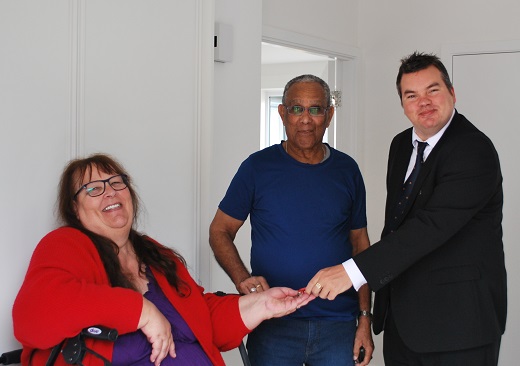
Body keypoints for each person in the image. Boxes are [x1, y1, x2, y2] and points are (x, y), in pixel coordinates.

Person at [12, 153, 314, 366]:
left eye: (117, 183)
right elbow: (32, 316)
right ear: (75, 210)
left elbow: (199, 318)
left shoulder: (155, 254)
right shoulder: (67, 245)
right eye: (93, 188)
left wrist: (261, 305)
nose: (110, 192)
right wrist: (141, 311)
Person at [305, 52, 507, 366]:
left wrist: (351, 272)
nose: (423, 102)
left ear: (452, 93)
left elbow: (429, 227)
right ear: (403, 104)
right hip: (404, 326)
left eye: (433, 90)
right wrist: (369, 314)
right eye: (412, 95)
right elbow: (396, 226)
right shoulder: (402, 145)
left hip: (460, 328)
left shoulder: (473, 149)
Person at [209, 74, 374, 365]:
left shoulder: (347, 170)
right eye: (297, 109)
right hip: (274, 321)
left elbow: (361, 247)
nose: (306, 119)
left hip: (337, 325)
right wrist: (242, 279)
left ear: (329, 114)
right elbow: (220, 230)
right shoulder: (257, 168)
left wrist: (364, 318)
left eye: (316, 109)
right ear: (283, 113)